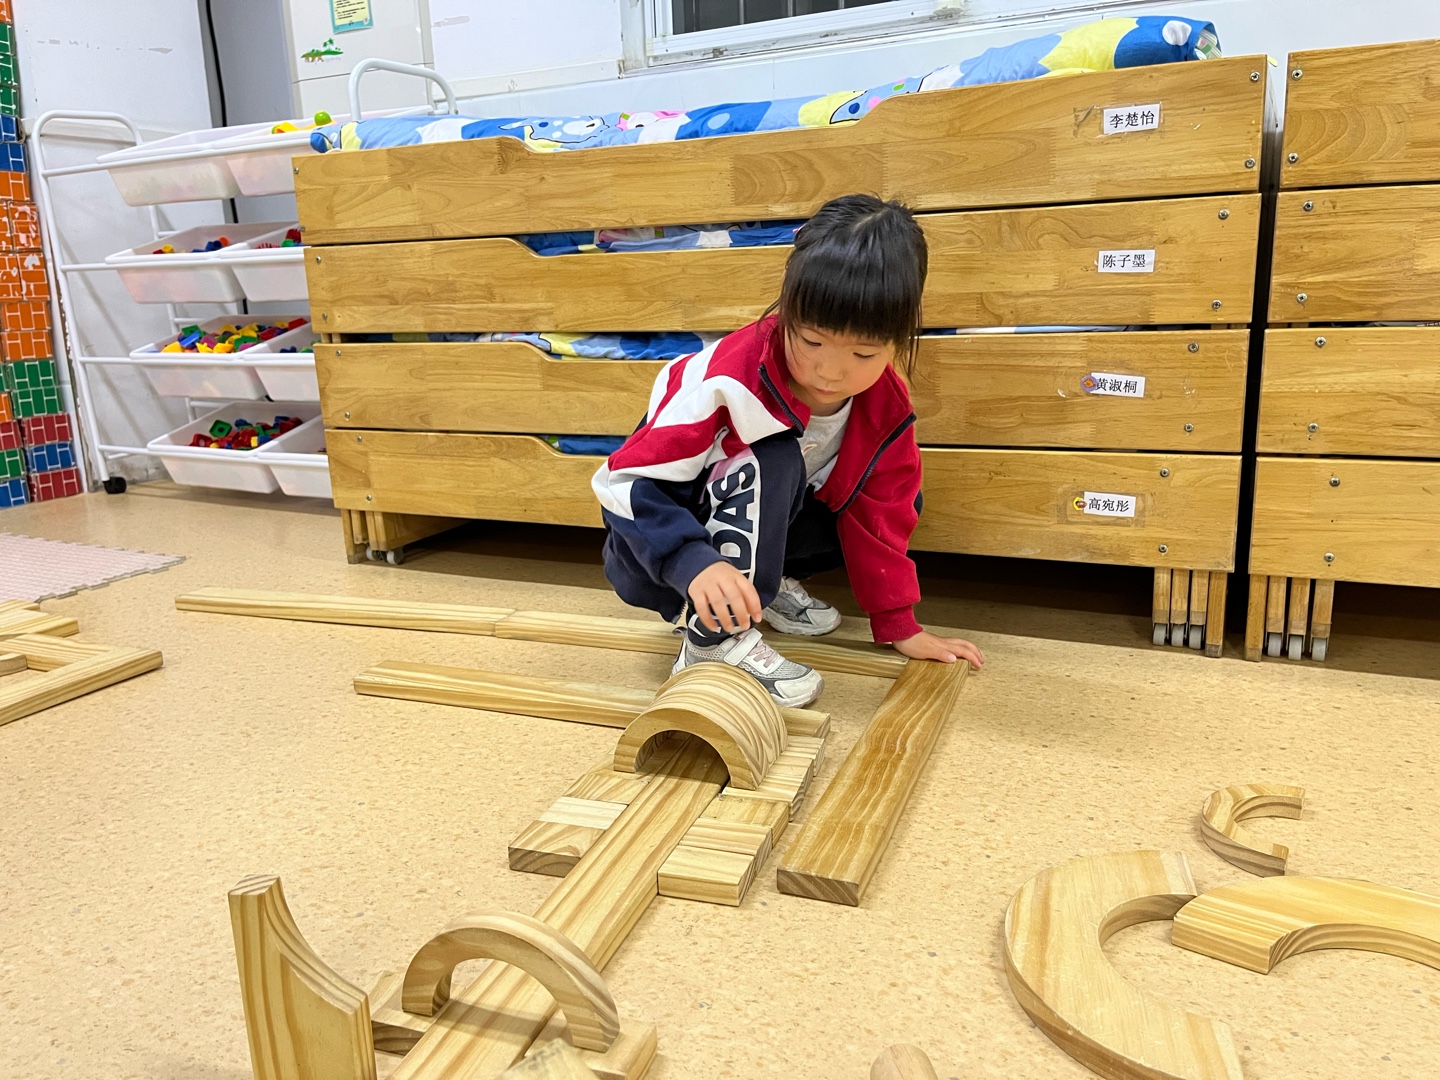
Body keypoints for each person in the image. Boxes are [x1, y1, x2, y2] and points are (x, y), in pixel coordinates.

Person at [592, 193, 984, 707]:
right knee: (772, 455)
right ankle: (712, 641)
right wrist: (693, 562)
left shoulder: (885, 403)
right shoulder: (729, 379)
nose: (831, 371)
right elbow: (625, 484)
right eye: (812, 342)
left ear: (898, 341)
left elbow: (883, 513)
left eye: (864, 353)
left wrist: (899, 624)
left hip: (756, 531)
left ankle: (763, 589)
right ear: (788, 311)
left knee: (893, 495)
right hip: (656, 549)